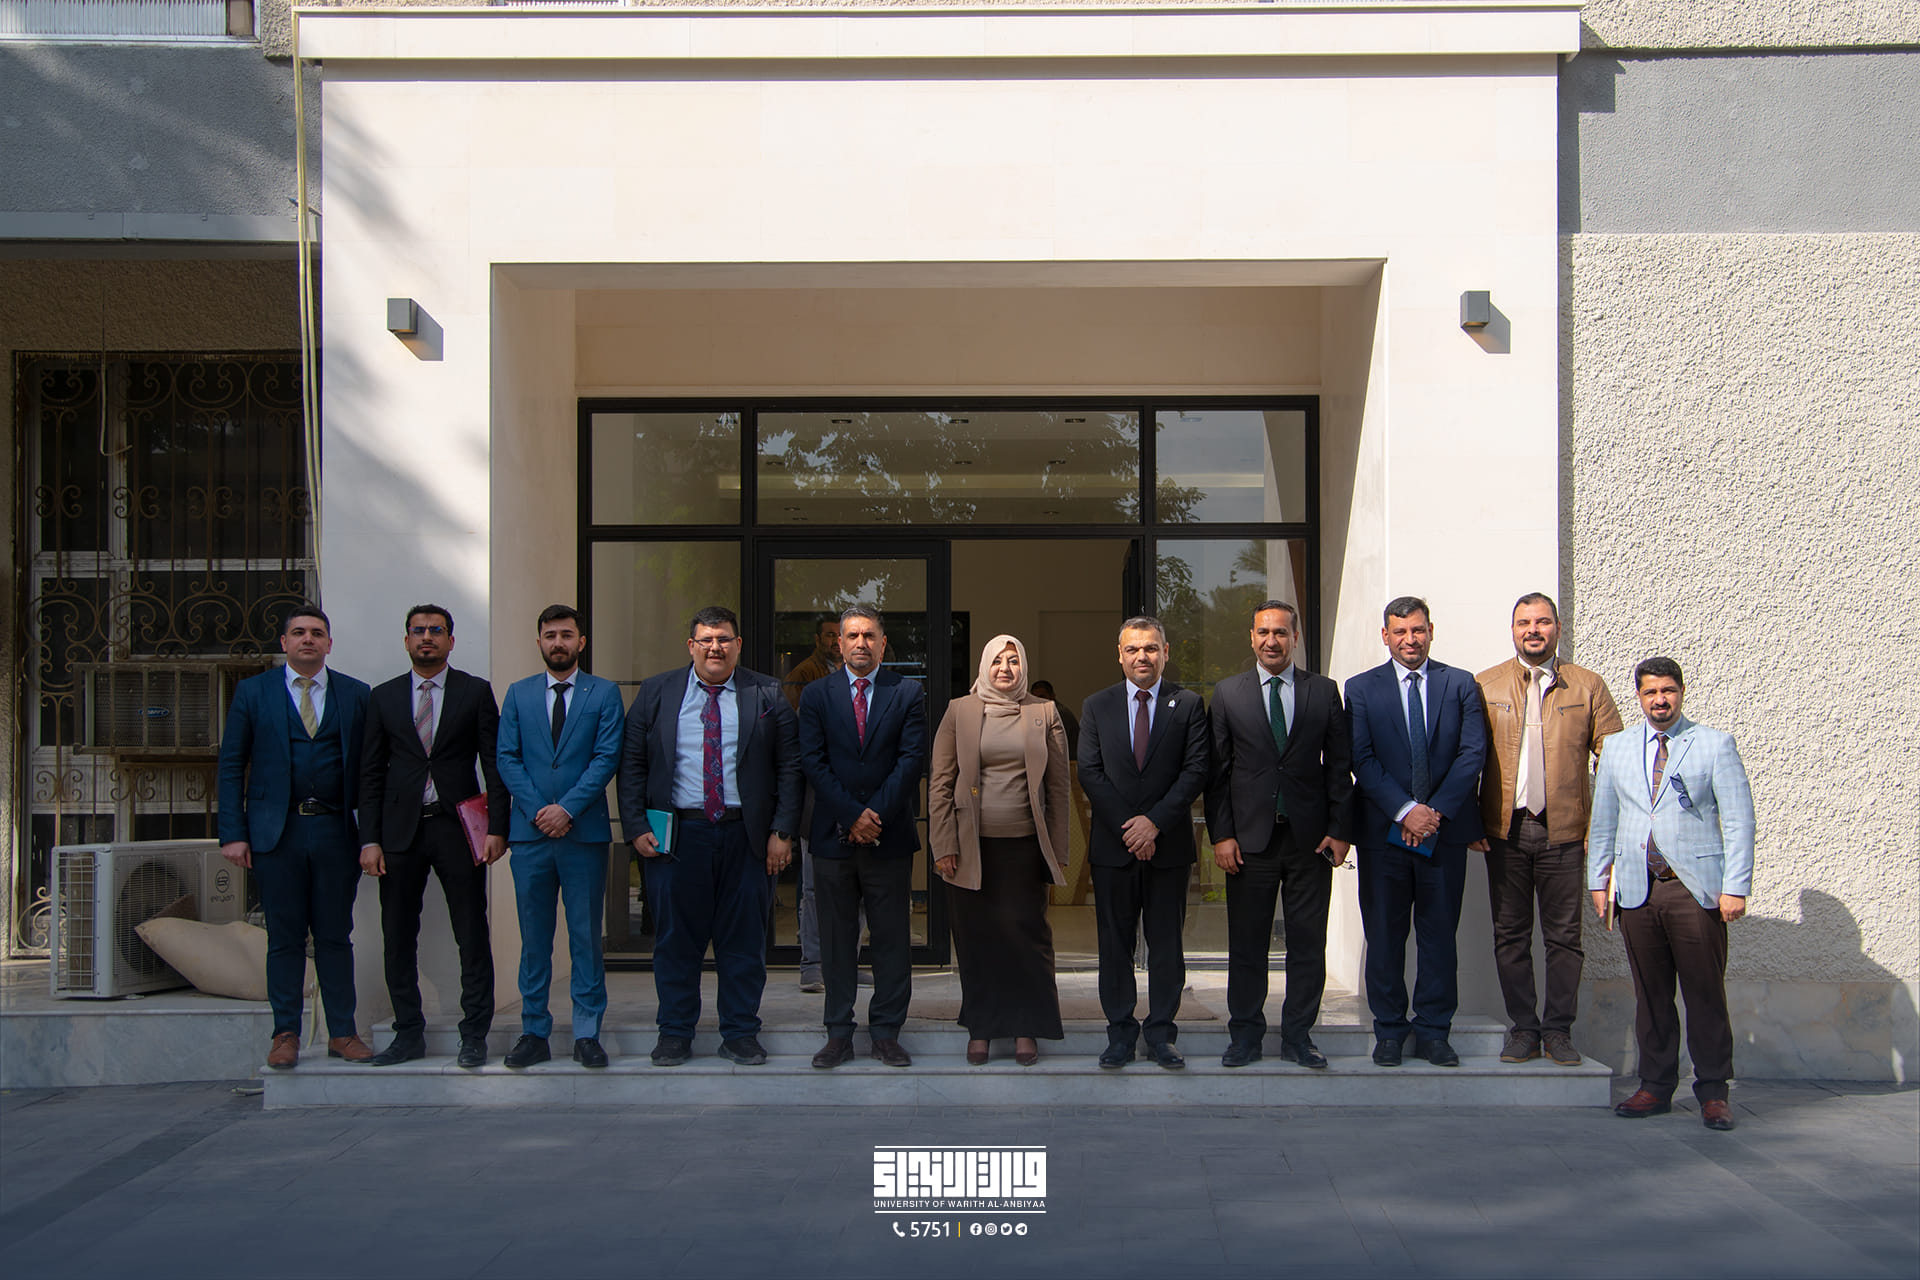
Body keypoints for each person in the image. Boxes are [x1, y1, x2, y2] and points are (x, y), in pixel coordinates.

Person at [616, 605, 802, 1067]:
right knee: (676, 942)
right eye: (706, 640)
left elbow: (791, 767)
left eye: (723, 639)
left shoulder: (767, 692)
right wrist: (636, 827)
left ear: (738, 645)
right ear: (691, 646)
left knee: (744, 943)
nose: (715, 648)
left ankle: (740, 1033)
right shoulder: (657, 692)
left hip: (747, 837)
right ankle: (675, 1033)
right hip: (678, 837)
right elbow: (632, 763)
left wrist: (782, 831)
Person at [1589, 657, 1754, 1131]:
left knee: (1704, 994)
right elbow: (1604, 818)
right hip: (1637, 890)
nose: (1659, 700)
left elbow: (1739, 820)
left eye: (1668, 691)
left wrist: (1734, 887)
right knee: (1651, 996)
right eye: (1650, 692)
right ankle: (1656, 1086)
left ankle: (1714, 1092)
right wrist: (1598, 880)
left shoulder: (1714, 744)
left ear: (1681, 692)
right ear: (1638, 697)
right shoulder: (1617, 747)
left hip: (1694, 890)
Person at [217, 605, 374, 1069]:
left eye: (317, 633)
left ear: (329, 644)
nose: (309, 639)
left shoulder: (355, 694)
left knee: (335, 935)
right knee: (284, 938)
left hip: (334, 830)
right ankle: (285, 1033)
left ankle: (342, 1032)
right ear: (284, 643)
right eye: (299, 632)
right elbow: (231, 765)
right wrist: (233, 833)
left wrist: (371, 836)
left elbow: (370, 771)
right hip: (275, 832)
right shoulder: (253, 692)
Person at [1471, 592, 1623, 1066]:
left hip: (1565, 833)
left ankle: (1558, 1031)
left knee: (1564, 939)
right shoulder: (1485, 685)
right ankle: (1523, 1029)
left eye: (1542, 622)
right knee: (1510, 936)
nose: (1533, 630)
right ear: (1513, 630)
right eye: (1524, 623)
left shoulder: (1588, 686)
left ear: (1558, 627)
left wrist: (1602, 832)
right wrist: (1471, 821)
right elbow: (1466, 758)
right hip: (1506, 832)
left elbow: (1616, 764)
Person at [358, 604, 509, 1069]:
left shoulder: (474, 692)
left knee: (471, 931)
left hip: (457, 827)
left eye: (436, 630)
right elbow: (370, 773)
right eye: (419, 630)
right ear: (407, 640)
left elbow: (493, 764)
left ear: (450, 640)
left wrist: (498, 828)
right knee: (398, 933)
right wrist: (369, 839)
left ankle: (474, 1034)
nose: (427, 637)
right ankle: (408, 1033)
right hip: (399, 831)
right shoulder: (383, 697)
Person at [1204, 600, 1352, 1069]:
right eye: (1264, 632)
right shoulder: (1227, 694)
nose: (1272, 641)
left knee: (1307, 945)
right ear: (1251, 637)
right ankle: (1245, 1037)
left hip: (1311, 842)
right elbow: (1217, 773)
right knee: (1247, 945)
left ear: (1295, 638)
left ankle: (1298, 1037)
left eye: (1281, 633)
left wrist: (1340, 829)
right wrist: (1222, 835)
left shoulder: (1323, 691)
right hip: (1249, 844)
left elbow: (1340, 767)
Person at [1346, 596, 1486, 1067]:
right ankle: (1389, 1029)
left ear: (1431, 631)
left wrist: (1433, 813)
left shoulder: (1460, 684)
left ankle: (1433, 1031)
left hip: (1442, 837)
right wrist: (1406, 811)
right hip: (1382, 836)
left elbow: (1472, 754)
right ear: (1385, 636)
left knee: (1439, 937)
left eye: (1418, 630)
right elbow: (1361, 758)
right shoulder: (1361, 689)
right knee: (1384, 938)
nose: (1411, 639)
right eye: (1401, 631)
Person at [796, 605, 929, 1069]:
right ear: (839, 643)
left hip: (888, 839)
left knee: (891, 940)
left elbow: (911, 760)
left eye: (869, 636)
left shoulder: (906, 692)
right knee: (836, 942)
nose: (860, 643)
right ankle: (838, 1032)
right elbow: (813, 762)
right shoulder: (816, 694)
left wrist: (874, 816)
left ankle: (887, 1033)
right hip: (832, 839)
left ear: (883, 643)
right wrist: (852, 815)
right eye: (852, 636)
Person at [495, 605, 626, 1070]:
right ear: (539, 642)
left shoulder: (604, 693)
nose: (558, 643)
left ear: (580, 642)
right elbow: (507, 757)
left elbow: (606, 757)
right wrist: (540, 811)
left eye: (566, 635)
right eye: (550, 635)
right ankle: (534, 1032)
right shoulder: (518, 694)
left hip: (582, 834)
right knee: (534, 939)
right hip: (531, 836)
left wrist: (566, 809)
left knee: (585, 938)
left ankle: (587, 1033)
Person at [929, 634, 1070, 1066]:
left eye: (1013, 661)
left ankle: (1027, 1026)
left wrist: (1058, 851)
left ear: (1023, 666)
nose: (1005, 669)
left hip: (1026, 848)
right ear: (984, 666)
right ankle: (983, 1027)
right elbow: (940, 783)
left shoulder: (1044, 712)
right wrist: (943, 844)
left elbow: (1058, 787)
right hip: (969, 849)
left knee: (1028, 938)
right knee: (977, 939)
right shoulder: (960, 710)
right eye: (997, 661)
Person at [1077, 616, 1209, 1070]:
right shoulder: (1097, 706)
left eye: (1151, 648)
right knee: (1114, 944)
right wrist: (1131, 828)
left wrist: (1154, 824)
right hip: (1114, 849)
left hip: (1167, 847)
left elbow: (1196, 770)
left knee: (1166, 944)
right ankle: (1120, 1034)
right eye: (1133, 649)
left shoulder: (1188, 705)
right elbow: (1089, 771)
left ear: (1165, 652)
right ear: (1119, 655)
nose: (1142, 657)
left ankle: (1161, 1035)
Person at [783, 616, 841, 993]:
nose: (838, 642)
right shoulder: (804, 677)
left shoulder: (864, 686)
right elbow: (799, 744)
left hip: (858, 806)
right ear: (818, 639)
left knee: (855, 891)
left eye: (841, 636)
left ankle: (844, 963)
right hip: (817, 803)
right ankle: (813, 964)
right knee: (813, 889)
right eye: (831, 636)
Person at [1029, 680, 1081, 762]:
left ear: (1052, 696)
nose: (1038, 701)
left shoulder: (1059, 714)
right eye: (1035, 698)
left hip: (1068, 762)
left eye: (1042, 697)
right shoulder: (1046, 712)